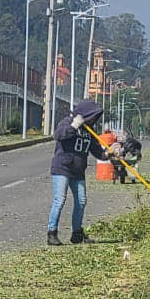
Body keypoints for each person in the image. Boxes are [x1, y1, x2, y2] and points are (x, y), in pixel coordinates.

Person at [47, 99, 119, 245]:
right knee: (60, 199)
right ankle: (52, 233)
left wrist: (109, 154)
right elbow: (59, 135)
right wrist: (74, 125)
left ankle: (77, 233)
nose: (93, 120)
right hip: (62, 167)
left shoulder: (89, 132)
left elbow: (98, 152)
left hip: (78, 171)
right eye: (91, 117)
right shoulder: (67, 122)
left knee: (81, 201)